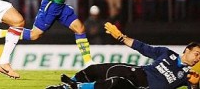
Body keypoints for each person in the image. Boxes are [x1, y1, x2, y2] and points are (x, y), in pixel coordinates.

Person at [47, 22, 200, 89]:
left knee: (114, 83)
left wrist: (193, 85)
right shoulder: (167, 53)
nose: (198, 58)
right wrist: (121, 37)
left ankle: (75, 88)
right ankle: (67, 85)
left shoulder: (189, 75)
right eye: (197, 53)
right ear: (186, 50)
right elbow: (142, 47)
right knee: (95, 70)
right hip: (138, 72)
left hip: (142, 86)